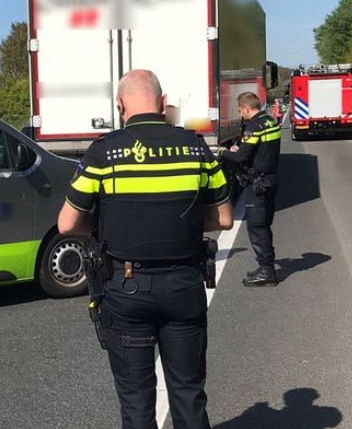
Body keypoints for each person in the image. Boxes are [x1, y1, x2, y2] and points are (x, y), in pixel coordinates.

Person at [58, 69, 232, 429]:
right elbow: (224, 218)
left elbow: (67, 224)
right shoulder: (196, 147)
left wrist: (106, 225)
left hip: (126, 288)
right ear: (163, 102)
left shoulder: (103, 152)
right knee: (188, 393)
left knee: (136, 402)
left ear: (120, 105)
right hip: (184, 285)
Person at [218, 92, 281, 287]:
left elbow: (241, 157)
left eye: (240, 111)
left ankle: (266, 271)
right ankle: (267, 267)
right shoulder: (270, 121)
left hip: (258, 183)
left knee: (256, 227)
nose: (240, 114)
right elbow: (260, 150)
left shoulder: (254, 127)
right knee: (264, 225)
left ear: (246, 108)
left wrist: (224, 152)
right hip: (270, 179)